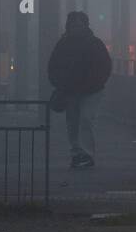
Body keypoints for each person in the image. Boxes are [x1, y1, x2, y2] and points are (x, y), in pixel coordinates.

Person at [47, 11, 112, 169]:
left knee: (82, 120)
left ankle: (82, 154)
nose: (77, 27)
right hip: (85, 89)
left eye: (79, 24)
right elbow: (106, 66)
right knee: (77, 122)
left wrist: (60, 83)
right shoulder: (95, 43)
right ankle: (80, 154)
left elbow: (53, 66)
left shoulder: (64, 44)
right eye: (75, 25)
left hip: (84, 90)